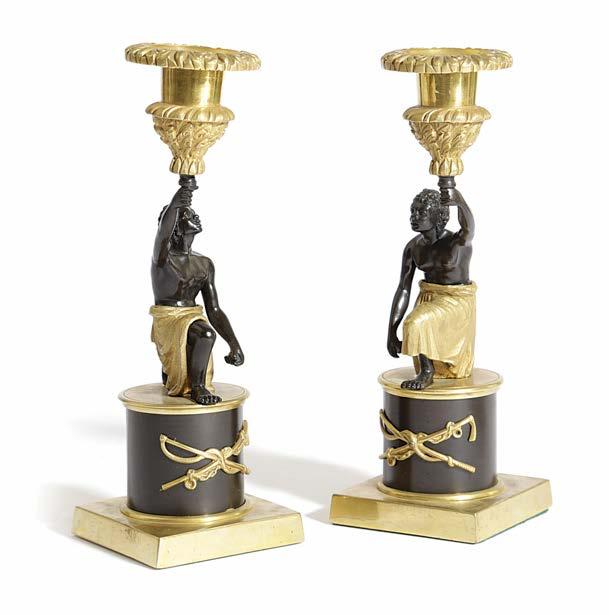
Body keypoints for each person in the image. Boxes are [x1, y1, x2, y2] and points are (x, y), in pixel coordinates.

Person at [150, 174, 244, 405]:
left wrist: (234, 343)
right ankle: (197, 387)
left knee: (202, 331)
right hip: (169, 318)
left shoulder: (204, 264)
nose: (196, 217)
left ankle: (183, 377)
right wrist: (182, 194)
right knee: (205, 334)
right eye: (188, 215)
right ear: (176, 227)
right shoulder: (164, 259)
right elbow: (163, 232)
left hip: (192, 315)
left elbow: (214, 309)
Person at [386, 177, 476, 390]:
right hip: (428, 299)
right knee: (418, 318)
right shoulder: (413, 247)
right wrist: (391, 330)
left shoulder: (456, 243)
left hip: (456, 302)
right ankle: (427, 368)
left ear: (438, 215)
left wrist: (458, 201)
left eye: (421, 212)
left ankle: (427, 372)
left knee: (415, 322)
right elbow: (403, 289)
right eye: (412, 211)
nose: (414, 217)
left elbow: (469, 228)